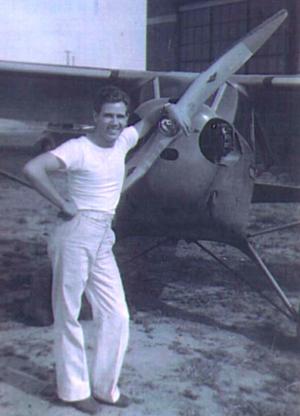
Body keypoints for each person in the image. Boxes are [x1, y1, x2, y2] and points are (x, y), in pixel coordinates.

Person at [23, 86, 181, 415]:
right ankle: (73, 390)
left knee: (117, 314)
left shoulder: (124, 139)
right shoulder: (79, 148)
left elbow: (151, 114)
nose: (113, 122)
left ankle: (105, 389)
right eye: (107, 115)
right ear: (95, 116)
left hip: (103, 237)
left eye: (119, 116)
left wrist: (173, 107)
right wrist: (62, 202)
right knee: (68, 314)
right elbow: (33, 169)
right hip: (76, 233)